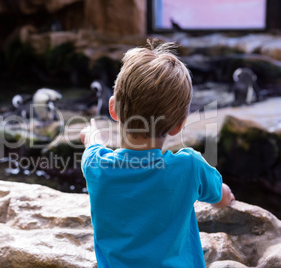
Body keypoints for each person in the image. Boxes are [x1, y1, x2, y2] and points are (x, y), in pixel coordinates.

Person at [80, 41, 235, 268]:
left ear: (113, 108)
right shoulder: (189, 166)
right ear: (179, 125)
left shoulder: (96, 166)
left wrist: (92, 134)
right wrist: (227, 196)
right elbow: (220, 197)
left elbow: (92, 144)